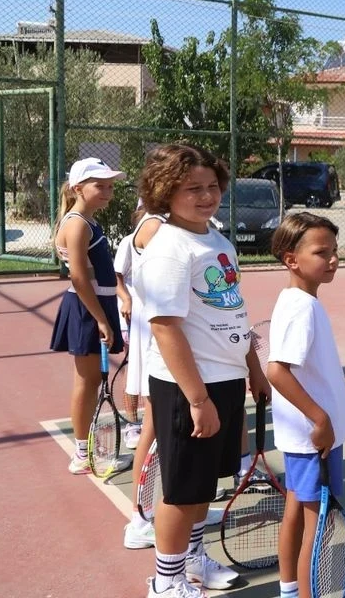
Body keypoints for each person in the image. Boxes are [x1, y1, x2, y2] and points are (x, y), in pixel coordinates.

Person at [136, 144, 270, 598]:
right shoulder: (169, 248)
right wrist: (197, 399)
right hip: (189, 388)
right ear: (165, 191)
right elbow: (165, 328)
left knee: (202, 488)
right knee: (181, 493)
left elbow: (233, 310)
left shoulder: (218, 240)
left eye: (212, 186)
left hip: (225, 381)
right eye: (193, 188)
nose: (207, 196)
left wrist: (253, 367)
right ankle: (166, 582)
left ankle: (192, 559)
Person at [265, 212, 345, 598]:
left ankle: (290, 590)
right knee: (316, 527)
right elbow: (276, 370)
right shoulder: (301, 307)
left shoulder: (299, 301)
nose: (332, 259)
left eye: (334, 251)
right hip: (313, 438)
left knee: (297, 513)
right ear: (292, 259)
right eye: (321, 252)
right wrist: (320, 419)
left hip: (307, 437)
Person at [48, 157, 128, 475]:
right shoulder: (77, 224)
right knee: (86, 381)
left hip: (96, 306)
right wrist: (101, 319)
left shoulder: (88, 221)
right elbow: (79, 278)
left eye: (110, 186)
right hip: (87, 309)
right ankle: (82, 453)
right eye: (100, 186)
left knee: (92, 380)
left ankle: (87, 449)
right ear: (78, 188)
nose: (107, 192)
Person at [116, 202, 167, 549]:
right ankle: (140, 518)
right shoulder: (155, 227)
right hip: (161, 341)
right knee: (155, 424)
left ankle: (180, 507)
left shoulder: (173, 225)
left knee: (167, 429)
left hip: (175, 339)